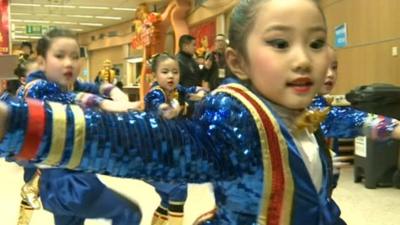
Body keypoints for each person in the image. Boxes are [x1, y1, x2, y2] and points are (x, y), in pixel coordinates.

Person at [0, 0, 387, 224]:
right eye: (280, 43)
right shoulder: (236, 121)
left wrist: (390, 126)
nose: (304, 59)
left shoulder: (311, 110)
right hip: (61, 175)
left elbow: (349, 118)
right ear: (238, 62)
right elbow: (135, 141)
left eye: (317, 43)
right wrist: (14, 124)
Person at [15, 28, 142, 225]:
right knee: (129, 213)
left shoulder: (69, 83)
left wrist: (114, 90)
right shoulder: (37, 88)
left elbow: (92, 87)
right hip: (69, 183)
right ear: (42, 62)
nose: (68, 62)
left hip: (68, 179)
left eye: (75, 57)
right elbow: (72, 98)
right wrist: (108, 103)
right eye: (59, 56)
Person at [310, 47, 400, 188]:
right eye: (322, 67)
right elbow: (347, 120)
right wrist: (392, 128)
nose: (330, 74)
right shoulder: (305, 108)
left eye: (334, 67)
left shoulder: (319, 104)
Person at [145, 53, 206, 225]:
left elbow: (192, 90)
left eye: (175, 72)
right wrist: (170, 109)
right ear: (154, 76)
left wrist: (201, 91)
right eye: (165, 72)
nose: (171, 76)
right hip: (152, 156)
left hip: (170, 154)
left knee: (167, 199)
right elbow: (161, 108)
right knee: (179, 188)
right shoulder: (155, 94)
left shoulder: (177, 90)